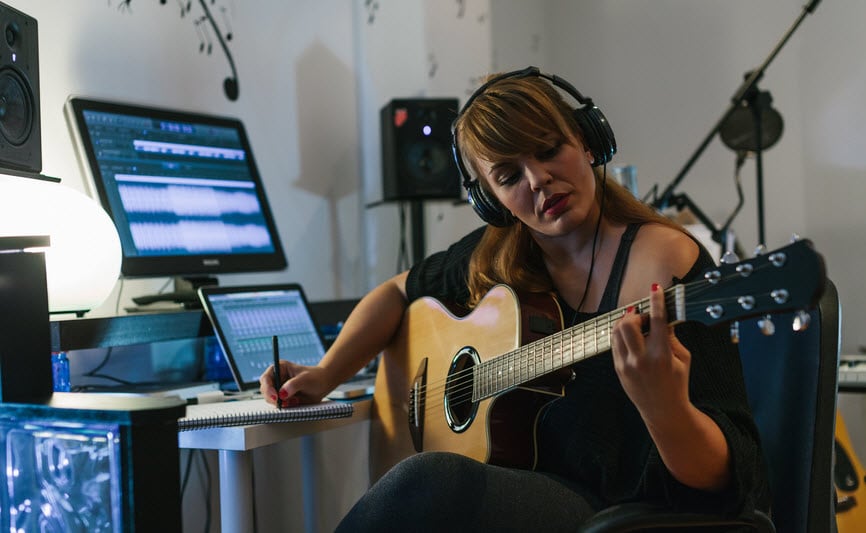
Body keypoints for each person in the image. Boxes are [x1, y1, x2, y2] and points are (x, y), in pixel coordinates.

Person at [260, 67, 770, 531]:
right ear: (491, 201)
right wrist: (327, 373)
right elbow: (397, 292)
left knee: (430, 484)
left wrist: (665, 408)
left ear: (588, 142)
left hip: (627, 514)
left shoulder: (666, 266)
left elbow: (731, 483)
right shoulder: (498, 256)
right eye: (508, 176)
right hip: (530, 496)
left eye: (549, 150)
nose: (538, 180)